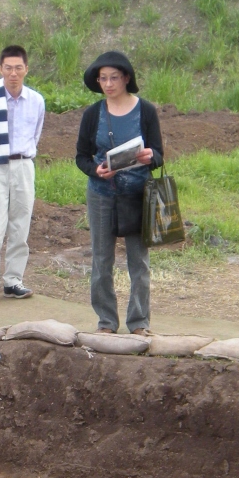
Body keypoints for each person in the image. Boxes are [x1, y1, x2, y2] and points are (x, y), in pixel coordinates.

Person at [76, 52, 163, 336]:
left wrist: (150, 156)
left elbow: (159, 153)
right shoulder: (93, 114)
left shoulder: (146, 111)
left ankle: (139, 322)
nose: (108, 84)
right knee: (101, 260)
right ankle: (106, 321)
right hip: (102, 194)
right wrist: (96, 170)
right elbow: (81, 157)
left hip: (137, 194)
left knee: (139, 261)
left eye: (114, 78)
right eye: (103, 79)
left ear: (126, 78)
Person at [0, 45, 44, 306]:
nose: (13, 73)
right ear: (0, 68)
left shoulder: (36, 100)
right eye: (8, 68)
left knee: (20, 224)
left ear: (26, 69)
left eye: (18, 68)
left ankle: (13, 280)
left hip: (23, 164)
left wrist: (21, 157)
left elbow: (36, 134)